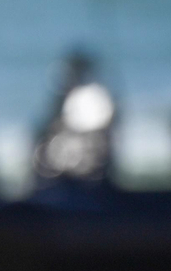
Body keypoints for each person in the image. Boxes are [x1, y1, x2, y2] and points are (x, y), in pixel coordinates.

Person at [32, 48, 116, 186]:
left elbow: (100, 144)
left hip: (88, 179)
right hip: (59, 176)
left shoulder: (94, 99)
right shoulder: (61, 100)